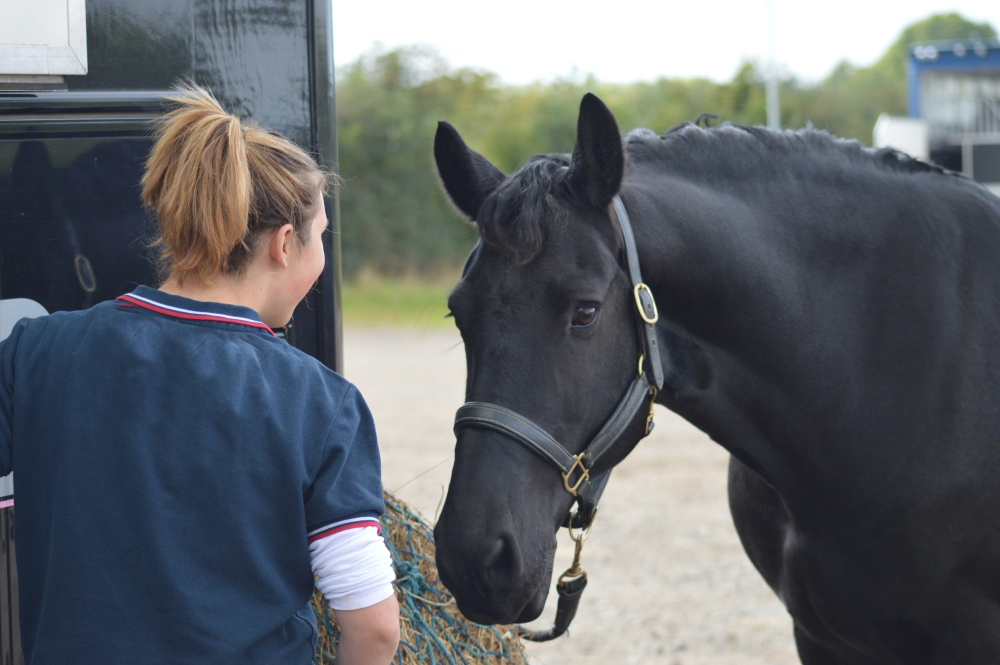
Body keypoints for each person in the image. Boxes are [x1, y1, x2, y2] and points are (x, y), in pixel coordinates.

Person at [0, 85, 400, 664]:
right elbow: (374, 626)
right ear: (285, 244)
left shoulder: (36, 351)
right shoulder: (321, 402)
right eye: (323, 237)